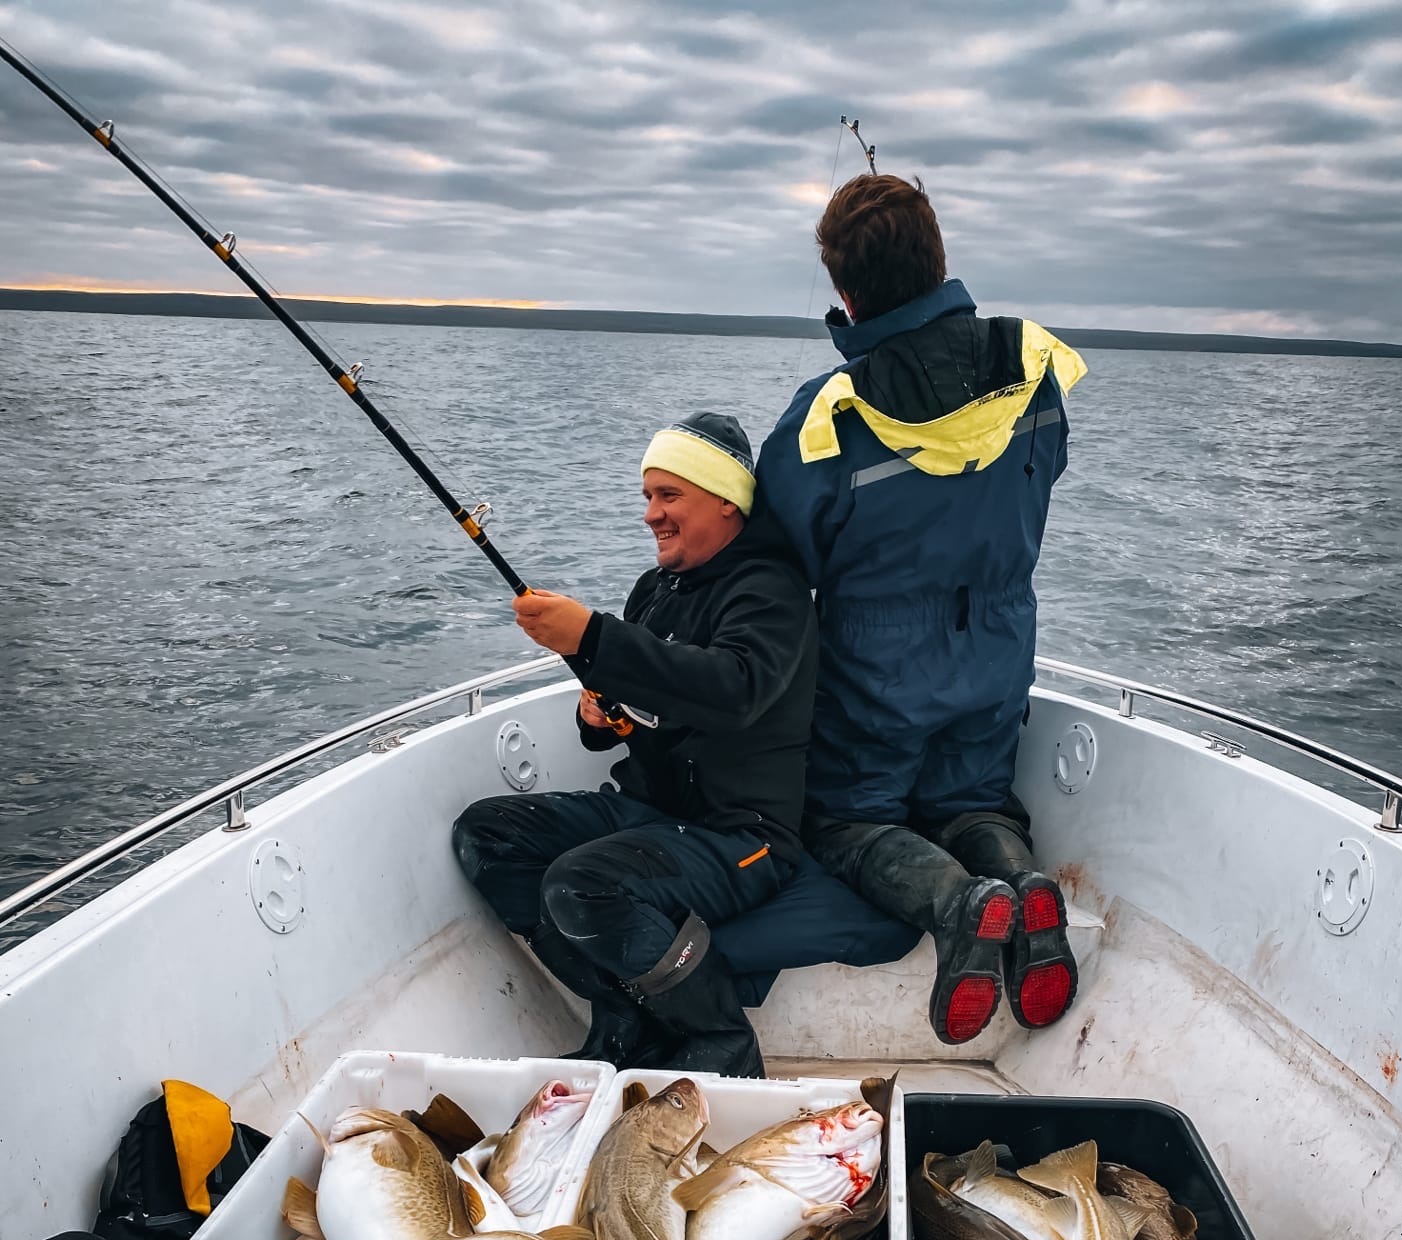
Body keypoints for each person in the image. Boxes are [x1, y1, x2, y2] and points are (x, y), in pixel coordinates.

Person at [757, 172, 1088, 1045]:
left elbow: (782, 553)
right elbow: (1042, 478)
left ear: (845, 291)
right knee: (975, 802)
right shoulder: (1034, 373)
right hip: (997, 657)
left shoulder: (828, 417)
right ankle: (1021, 888)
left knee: (847, 820)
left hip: (876, 678)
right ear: (939, 256)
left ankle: (958, 907)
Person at [452, 410, 818, 1077]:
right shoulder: (653, 591)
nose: (651, 514)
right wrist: (600, 718)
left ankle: (723, 1042)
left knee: (579, 883)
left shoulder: (772, 590)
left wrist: (593, 638)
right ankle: (622, 1013)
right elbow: (652, 699)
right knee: (488, 836)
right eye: (647, 496)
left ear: (728, 502)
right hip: (654, 813)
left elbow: (735, 689)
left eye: (669, 495)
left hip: (743, 837)